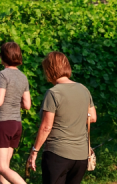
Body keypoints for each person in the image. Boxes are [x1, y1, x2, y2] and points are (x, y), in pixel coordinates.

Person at [26, 51, 96, 184]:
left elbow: (46, 127)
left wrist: (34, 152)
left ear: (49, 70)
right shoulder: (83, 89)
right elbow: (92, 117)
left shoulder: (53, 93)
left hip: (58, 154)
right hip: (81, 156)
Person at [0, 41, 32, 184]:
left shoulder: (2, 75)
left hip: (3, 123)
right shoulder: (23, 77)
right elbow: (27, 105)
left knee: (0, 166)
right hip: (16, 124)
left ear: (3, 57)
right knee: (5, 168)